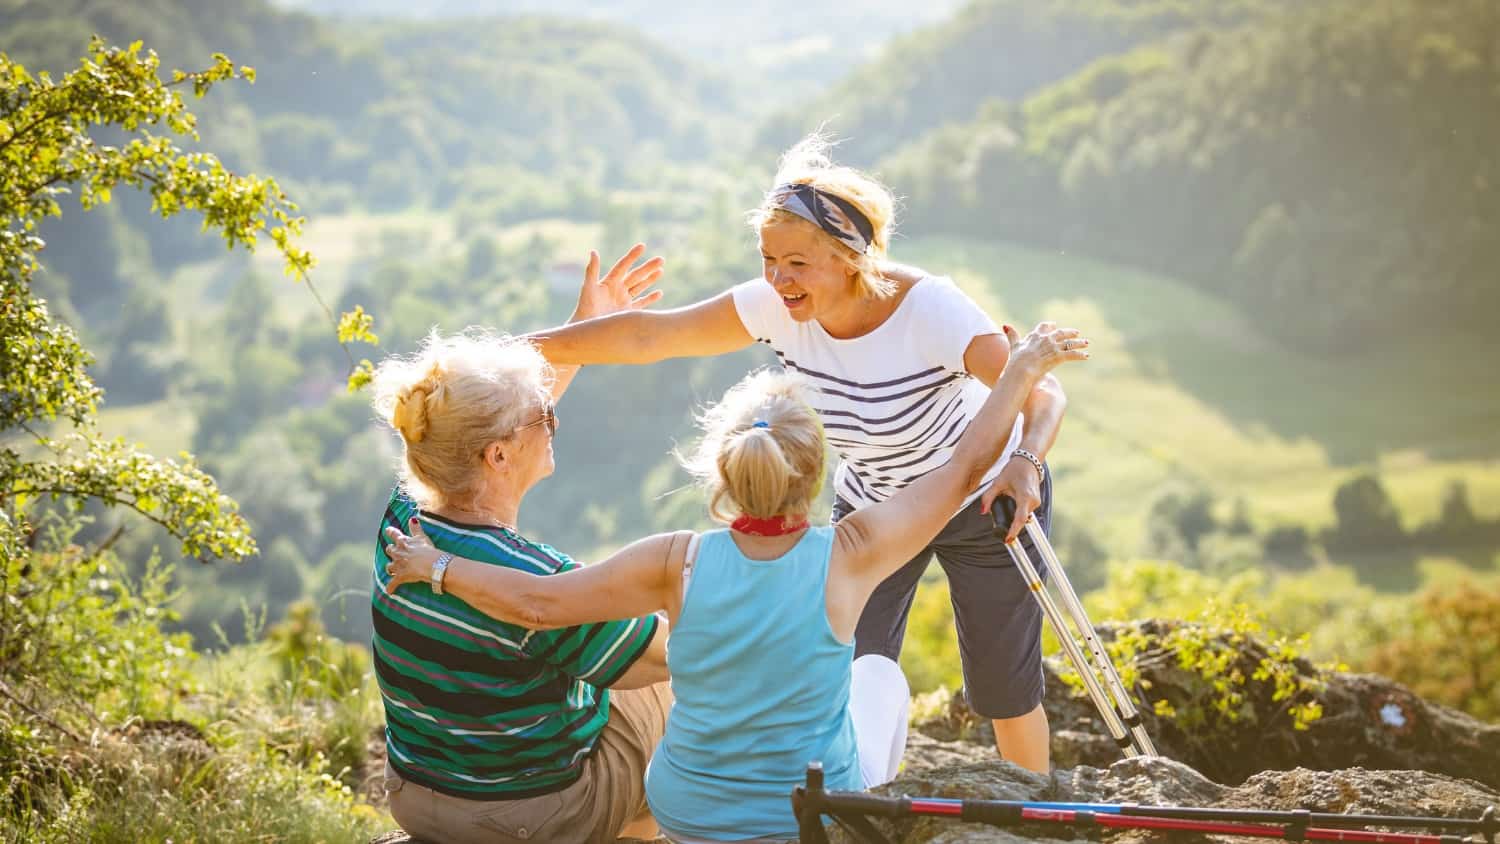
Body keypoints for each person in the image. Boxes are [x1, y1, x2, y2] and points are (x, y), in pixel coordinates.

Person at [383, 322, 1089, 842]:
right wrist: (1021, 370)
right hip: (806, 819)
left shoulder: (672, 560)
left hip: (687, 813)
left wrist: (436, 568)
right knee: (879, 677)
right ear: (815, 477)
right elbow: (965, 468)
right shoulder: (853, 549)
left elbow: (540, 602)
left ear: (722, 480)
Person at [516, 135, 1069, 772]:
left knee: (1005, 692)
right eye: (768, 259)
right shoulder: (774, 306)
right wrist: (511, 351)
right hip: (876, 512)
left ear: (850, 256)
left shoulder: (930, 310)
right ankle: (849, 808)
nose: (778, 278)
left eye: (798, 263)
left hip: (986, 498)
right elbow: (651, 335)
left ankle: (1035, 818)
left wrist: (1027, 462)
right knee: (841, 667)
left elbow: (1041, 389)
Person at [369, 249, 677, 844]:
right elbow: (668, 654)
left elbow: (477, 423)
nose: (554, 419)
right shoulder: (538, 581)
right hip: (525, 814)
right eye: (545, 419)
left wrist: (584, 331)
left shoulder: (402, 523)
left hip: (417, 796)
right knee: (664, 689)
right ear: (499, 456)